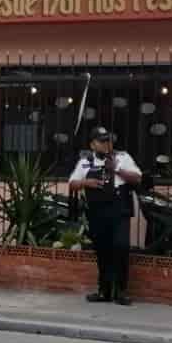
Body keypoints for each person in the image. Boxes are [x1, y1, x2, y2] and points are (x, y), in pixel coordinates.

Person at [69, 127, 142, 306]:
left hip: (119, 209)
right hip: (97, 212)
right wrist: (87, 182)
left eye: (108, 140)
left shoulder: (122, 157)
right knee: (102, 251)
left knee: (121, 247)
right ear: (93, 144)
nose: (106, 144)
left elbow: (137, 178)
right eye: (102, 141)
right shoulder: (85, 161)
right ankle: (104, 290)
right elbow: (72, 183)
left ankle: (121, 291)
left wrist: (116, 169)